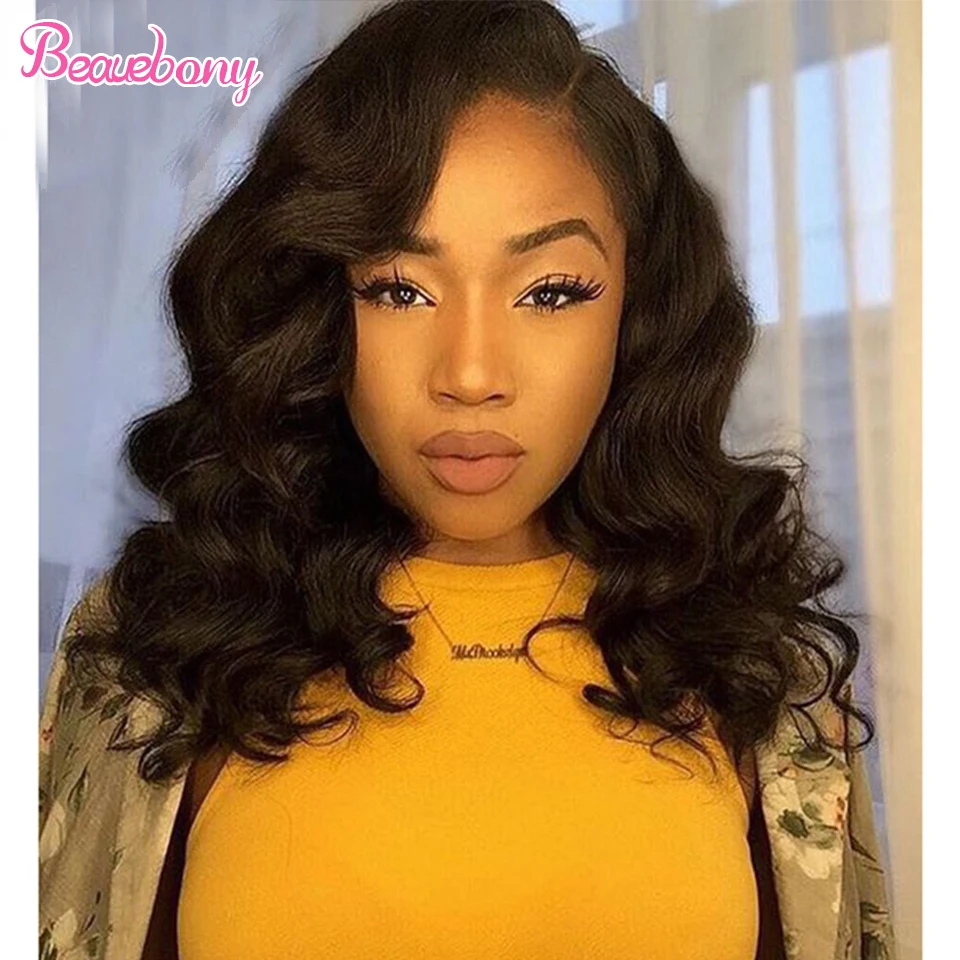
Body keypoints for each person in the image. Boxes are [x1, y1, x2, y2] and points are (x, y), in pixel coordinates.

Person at [38, 2, 896, 959]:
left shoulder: (757, 669)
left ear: (638, 308)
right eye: (399, 289)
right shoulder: (161, 647)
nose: (472, 373)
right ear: (317, 303)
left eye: (550, 292)